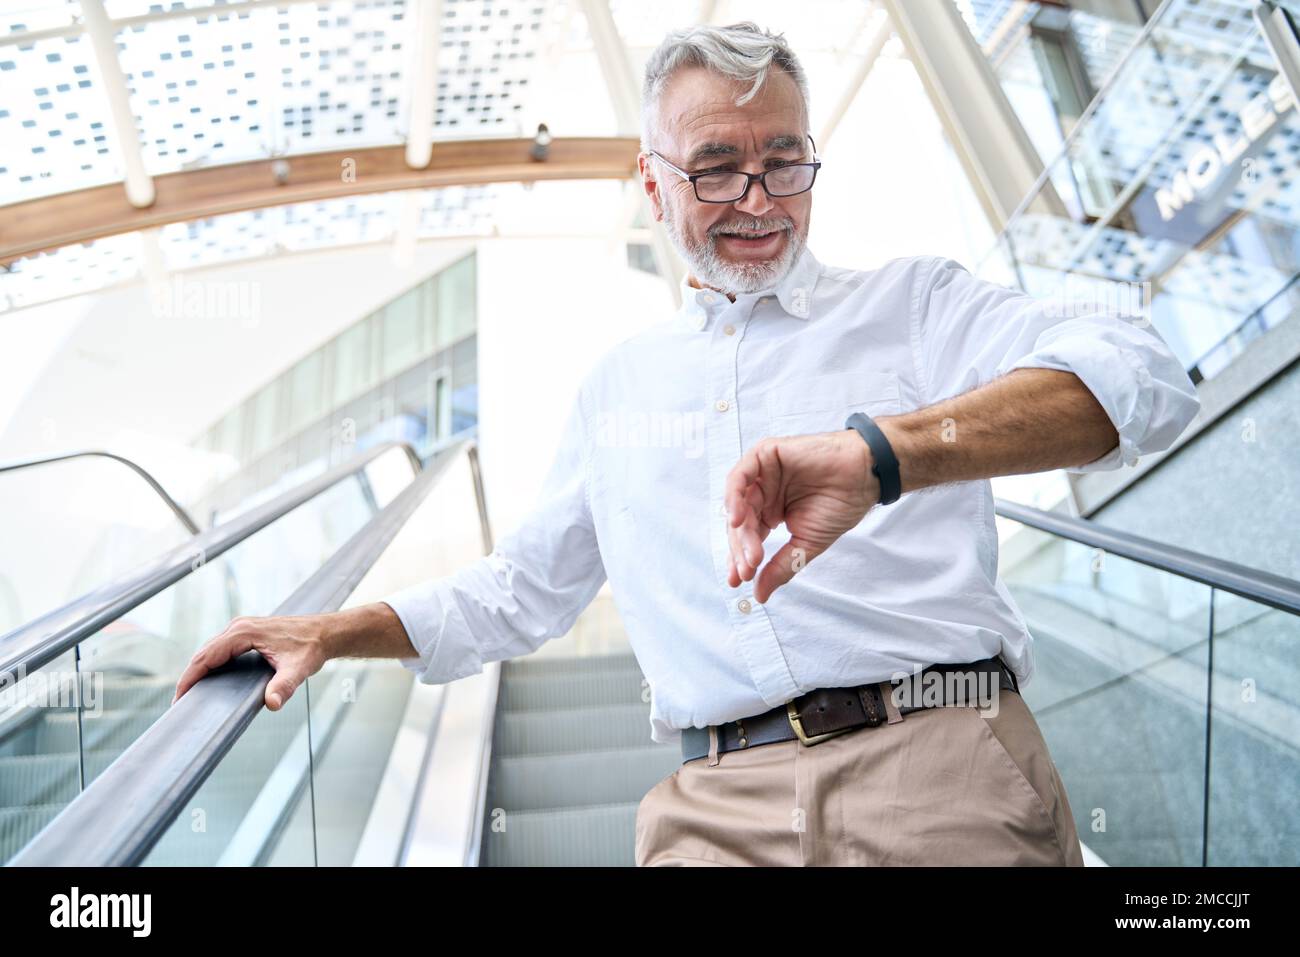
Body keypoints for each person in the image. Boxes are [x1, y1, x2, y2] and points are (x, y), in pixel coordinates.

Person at [174, 22, 1201, 866]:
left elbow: (1140, 376)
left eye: (783, 161)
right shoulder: (615, 389)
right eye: (715, 169)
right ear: (652, 183)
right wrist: (332, 632)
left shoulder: (916, 305)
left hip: (938, 767)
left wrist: (888, 452)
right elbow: (518, 592)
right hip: (713, 813)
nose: (757, 201)